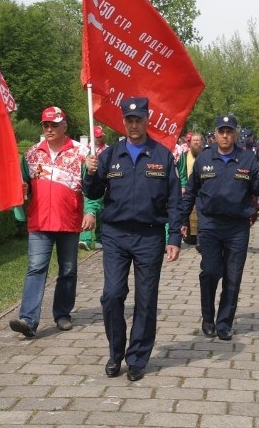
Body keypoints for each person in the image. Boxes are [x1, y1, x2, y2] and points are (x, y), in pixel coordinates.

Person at [83, 97, 181, 382]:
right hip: (115, 236)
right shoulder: (110, 155)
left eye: (139, 119)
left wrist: (173, 236)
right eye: (129, 119)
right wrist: (90, 174)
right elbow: (92, 193)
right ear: (123, 122)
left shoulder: (162, 156)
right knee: (112, 295)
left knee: (146, 300)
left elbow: (175, 201)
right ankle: (116, 352)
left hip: (150, 236)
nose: (134, 124)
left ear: (147, 120)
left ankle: (137, 357)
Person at [179, 114, 259, 341]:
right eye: (222, 131)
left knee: (233, 276)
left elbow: (257, 190)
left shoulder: (247, 159)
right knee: (210, 272)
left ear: (235, 134)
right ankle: (208, 317)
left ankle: (224, 322)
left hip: (237, 227)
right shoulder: (204, 158)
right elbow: (191, 191)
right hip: (209, 225)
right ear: (216, 134)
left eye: (229, 131)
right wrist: (181, 220)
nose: (225, 135)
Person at [9, 106, 95, 338]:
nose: (49, 129)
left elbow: (91, 187)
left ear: (64, 126)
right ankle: (28, 320)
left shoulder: (81, 152)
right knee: (36, 268)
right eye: (46, 125)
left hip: (69, 220)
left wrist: (90, 211)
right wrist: (21, 191)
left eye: (54, 125)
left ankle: (62, 314)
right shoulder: (31, 154)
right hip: (39, 222)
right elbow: (23, 184)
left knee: (68, 270)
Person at [79, 125, 107, 251]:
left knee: (101, 211)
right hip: (88, 184)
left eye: (100, 136)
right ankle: (85, 239)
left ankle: (99, 239)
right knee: (88, 209)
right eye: (97, 136)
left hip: (103, 185)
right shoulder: (85, 150)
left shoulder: (107, 150)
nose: (99, 139)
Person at [177, 132, 205, 247]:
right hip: (189, 189)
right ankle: (190, 237)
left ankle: (200, 239)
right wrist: (183, 185)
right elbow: (181, 171)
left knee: (201, 215)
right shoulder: (184, 155)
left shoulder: (206, 155)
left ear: (201, 142)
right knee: (188, 213)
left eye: (198, 140)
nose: (196, 143)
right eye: (193, 140)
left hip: (202, 190)